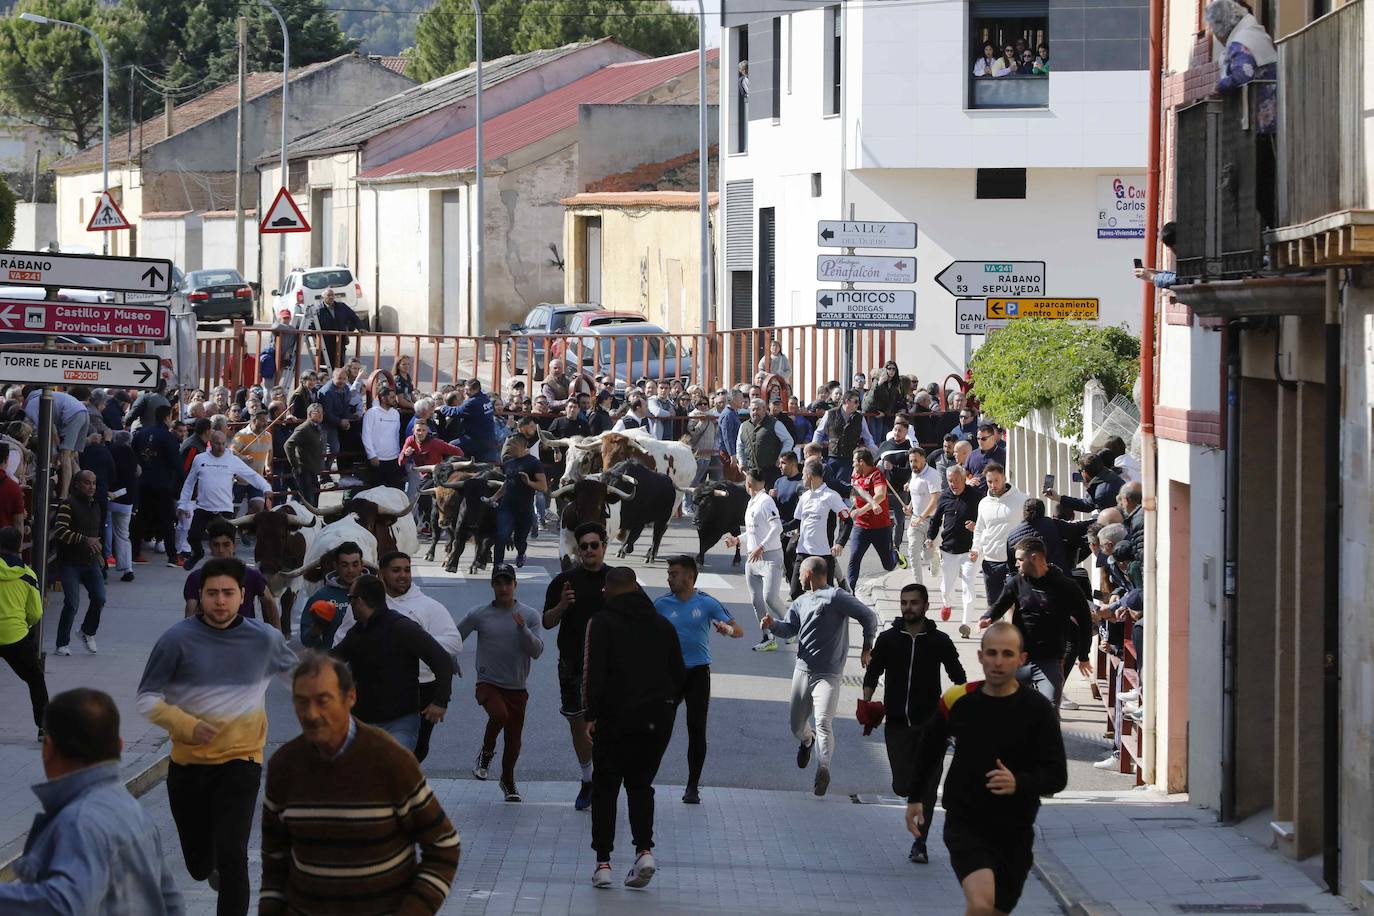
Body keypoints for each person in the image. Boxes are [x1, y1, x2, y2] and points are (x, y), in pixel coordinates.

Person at [137, 556, 298, 916]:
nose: (220, 601)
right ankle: (207, 866)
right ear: (201, 597)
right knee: (198, 863)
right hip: (188, 765)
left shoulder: (265, 640)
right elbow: (147, 698)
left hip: (242, 761)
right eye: (212, 594)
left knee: (233, 853)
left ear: (242, 595)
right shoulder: (176, 640)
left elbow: (302, 684)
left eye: (228, 593)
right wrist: (186, 726)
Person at [261, 651, 458, 914]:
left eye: (323, 701)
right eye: (301, 702)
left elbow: (443, 845)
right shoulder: (283, 766)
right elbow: (275, 860)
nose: (311, 714)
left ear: (349, 698)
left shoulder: (390, 760)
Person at [906, 621, 1068, 916]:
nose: (998, 661)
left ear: (1022, 659)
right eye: (991, 653)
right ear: (980, 657)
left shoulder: (1037, 710)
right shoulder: (958, 701)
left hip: (1015, 830)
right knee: (981, 905)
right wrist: (915, 797)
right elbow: (929, 749)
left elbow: (1057, 776)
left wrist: (1018, 782)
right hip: (966, 822)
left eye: (1007, 654)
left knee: (994, 910)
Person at [0, 688, 183, 914]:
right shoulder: (131, 809)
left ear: (48, 749)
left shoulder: (78, 821)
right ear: (120, 746)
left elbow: (63, 904)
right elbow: (171, 900)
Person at [585, 567, 686, 890]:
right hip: (657, 718)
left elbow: (593, 672)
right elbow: (680, 673)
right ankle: (644, 851)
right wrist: (668, 705)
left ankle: (603, 863)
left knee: (606, 786)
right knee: (641, 785)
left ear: (611, 591)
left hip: (615, 716)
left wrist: (591, 715)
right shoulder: (662, 624)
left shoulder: (601, 622)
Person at [863, 583, 965, 864]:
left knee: (928, 789)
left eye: (914, 603)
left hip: (930, 725)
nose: (908, 608)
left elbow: (959, 677)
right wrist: (867, 702)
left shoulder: (940, 641)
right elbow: (873, 672)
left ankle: (920, 843)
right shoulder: (888, 639)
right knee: (902, 786)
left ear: (926, 606)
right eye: (904, 602)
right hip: (896, 724)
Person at [762, 556, 879, 796]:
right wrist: (773, 625)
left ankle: (823, 767)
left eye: (800, 574)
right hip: (803, 671)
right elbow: (790, 629)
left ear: (809, 574)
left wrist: (868, 646)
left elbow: (868, 616)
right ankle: (807, 741)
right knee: (796, 726)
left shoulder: (836, 597)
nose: (798, 578)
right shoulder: (801, 601)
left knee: (824, 722)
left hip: (829, 674)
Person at [333, 552, 463, 763]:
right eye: (396, 570)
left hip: (419, 689)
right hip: (369, 696)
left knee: (415, 751)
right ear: (381, 573)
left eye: (407, 570)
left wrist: (413, 646)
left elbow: (452, 645)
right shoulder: (361, 609)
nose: (403, 575)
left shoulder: (426, 607)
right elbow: (342, 645)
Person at [653, 556, 743, 804]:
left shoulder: (706, 603)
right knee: (660, 728)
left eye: (674, 573)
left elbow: (739, 630)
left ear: (689, 577)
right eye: (669, 573)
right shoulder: (661, 604)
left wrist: (728, 630)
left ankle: (692, 786)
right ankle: (645, 779)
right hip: (671, 675)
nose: (669, 577)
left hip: (698, 674)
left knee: (696, 729)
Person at [458, 563, 544, 801]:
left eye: (508, 583)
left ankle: (508, 782)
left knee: (514, 740)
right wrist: (449, 660)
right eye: (499, 582)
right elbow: (455, 636)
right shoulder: (479, 614)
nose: (504, 587)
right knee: (499, 715)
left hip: (517, 686)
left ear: (515, 585)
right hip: (488, 682)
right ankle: (486, 754)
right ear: (492, 585)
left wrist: (522, 630)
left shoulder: (529, 615)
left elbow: (537, 651)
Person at [982, 537, 1093, 711]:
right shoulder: (1016, 582)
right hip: (1018, 659)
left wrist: (1084, 656)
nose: (1016, 564)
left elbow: (1085, 621)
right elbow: (1000, 604)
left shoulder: (1066, 586)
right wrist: (988, 617)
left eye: (1020, 559)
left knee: (1050, 711)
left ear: (1034, 558)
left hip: (1049, 661)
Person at [542, 521, 609, 810]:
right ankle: (587, 779)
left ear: (604, 546)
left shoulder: (618, 579)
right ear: (578, 550)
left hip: (610, 665)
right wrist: (562, 606)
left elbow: (642, 618)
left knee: (608, 726)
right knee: (578, 724)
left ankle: (606, 779)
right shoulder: (563, 582)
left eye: (595, 545)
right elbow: (546, 622)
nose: (590, 550)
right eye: (584, 547)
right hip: (572, 662)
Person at [178, 430, 271, 571]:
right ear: (211, 442)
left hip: (224, 509)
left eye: (223, 444)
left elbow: (251, 475)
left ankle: (226, 568)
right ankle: (197, 554)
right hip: (203, 507)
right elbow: (189, 483)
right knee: (193, 536)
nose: (221, 447)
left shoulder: (232, 460)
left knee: (227, 542)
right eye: (217, 444)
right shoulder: (200, 458)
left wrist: (265, 487)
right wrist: (183, 504)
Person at [725, 468, 788, 653]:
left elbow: (777, 527)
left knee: (770, 597)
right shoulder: (752, 502)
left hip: (769, 557)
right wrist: (737, 540)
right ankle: (768, 637)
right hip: (752, 559)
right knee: (756, 600)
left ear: (749, 484)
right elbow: (753, 530)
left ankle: (792, 628)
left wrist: (761, 546)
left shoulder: (766, 501)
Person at [183, 520, 280, 628]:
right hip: (209, 637)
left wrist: (277, 637)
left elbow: (270, 604)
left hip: (245, 636)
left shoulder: (252, 576)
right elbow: (190, 614)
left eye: (226, 545)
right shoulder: (196, 577)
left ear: (235, 545)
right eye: (216, 545)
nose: (221, 550)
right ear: (210, 545)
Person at [969, 463, 1028, 635]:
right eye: (989, 481)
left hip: (1012, 562)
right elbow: (980, 529)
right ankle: (998, 638)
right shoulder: (984, 503)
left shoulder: (1021, 499)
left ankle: (1012, 636)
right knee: (994, 605)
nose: (993, 485)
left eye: (996, 480)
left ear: (1004, 478)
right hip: (990, 560)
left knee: (1011, 603)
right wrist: (975, 549)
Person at [51, 470, 105, 656]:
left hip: (91, 561)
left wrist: (99, 553)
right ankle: (61, 643)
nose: (92, 487)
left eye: (94, 483)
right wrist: (84, 540)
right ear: (77, 484)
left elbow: (96, 534)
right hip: (70, 563)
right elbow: (60, 531)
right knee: (72, 603)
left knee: (99, 598)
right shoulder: (68, 505)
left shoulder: (95, 505)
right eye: (87, 483)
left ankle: (87, 632)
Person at [0, 526, 47, 738]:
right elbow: (36, 613)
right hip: (15, 636)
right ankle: (44, 727)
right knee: (35, 679)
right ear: (19, 546)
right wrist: (25, 624)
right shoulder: (28, 575)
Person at [928, 464, 982, 627]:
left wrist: (976, 527)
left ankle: (966, 623)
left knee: (968, 585)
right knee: (946, 587)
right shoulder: (944, 497)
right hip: (949, 550)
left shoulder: (976, 497)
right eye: (951, 481)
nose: (954, 484)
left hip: (969, 551)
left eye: (957, 481)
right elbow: (935, 521)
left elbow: (985, 521)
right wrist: (930, 537)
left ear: (965, 479)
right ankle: (947, 604)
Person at [789, 458, 852, 598]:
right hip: (803, 552)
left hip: (823, 554)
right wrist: (779, 528)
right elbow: (796, 522)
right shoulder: (804, 496)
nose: (802, 478)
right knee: (795, 593)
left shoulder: (831, 496)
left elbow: (848, 521)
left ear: (810, 476)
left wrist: (840, 543)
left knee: (825, 597)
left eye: (804, 474)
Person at [488, 426, 546, 568]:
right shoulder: (509, 463)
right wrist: (494, 497)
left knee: (520, 541)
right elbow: (507, 483)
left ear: (519, 445)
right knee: (501, 536)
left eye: (510, 444)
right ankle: (498, 566)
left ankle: (521, 553)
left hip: (524, 509)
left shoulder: (534, 463)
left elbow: (543, 487)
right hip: (507, 507)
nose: (507, 447)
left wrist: (529, 482)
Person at [299, 542, 368, 649]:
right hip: (332, 662)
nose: (350, 570)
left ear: (362, 565)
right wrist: (316, 629)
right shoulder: (322, 595)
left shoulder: (374, 593)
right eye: (344, 565)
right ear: (336, 566)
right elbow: (306, 641)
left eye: (355, 564)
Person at [23, 386, 87, 499]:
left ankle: (64, 496)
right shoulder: (47, 396)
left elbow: (45, 427)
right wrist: (56, 447)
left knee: (65, 456)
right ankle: (81, 492)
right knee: (71, 457)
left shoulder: (32, 404)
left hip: (72, 415)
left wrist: (53, 452)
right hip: (83, 412)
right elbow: (52, 428)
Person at [815, 389, 876, 478]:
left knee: (843, 483)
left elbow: (868, 438)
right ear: (847, 401)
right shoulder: (830, 413)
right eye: (856, 401)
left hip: (849, 459)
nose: (858, 404)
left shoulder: (860, 418)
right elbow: (819, 433)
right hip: (832, 456)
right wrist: (813, 451)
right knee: (828, 482)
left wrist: (876, 453)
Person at [905, 447, 943, 585]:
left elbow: (935, 500)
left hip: (933, 521)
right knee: (912, 552)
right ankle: (918, 585)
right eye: (910, 461)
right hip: (916, 520)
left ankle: (933, 558)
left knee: (931, 555)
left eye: (915, 461)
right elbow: (917, 493)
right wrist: (909, 506)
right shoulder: (914, 473)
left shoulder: (932, 475)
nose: (912, 464)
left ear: (924, 459)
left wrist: (922, 516)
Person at [1044, 452, 1123, 516]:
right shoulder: (1109, 474)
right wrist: (1058, 497)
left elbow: (1087, 506)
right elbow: (1087, 504)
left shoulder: (1101, 493)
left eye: (1080, 471)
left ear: (1084, 473)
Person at [108, 429, 139, 581]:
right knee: (123, 534)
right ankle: (127, 568)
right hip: (127, 499)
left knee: (105, 530)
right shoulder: (132, 455)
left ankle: (104, 562)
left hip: (110, 496)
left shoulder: (111, 451)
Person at [361, 386, 405, 489]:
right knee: (376, 491)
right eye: (392, 397)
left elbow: (396, 434)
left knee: (393, 491)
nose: (395, 399)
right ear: (383, 398)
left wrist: (398, 454)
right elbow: (366, 435)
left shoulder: (395, 413)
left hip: (393, 459)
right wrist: (371, 455)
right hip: (377, 460)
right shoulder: (371, 413)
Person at [285, 403, 325, 508]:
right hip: (304, 469)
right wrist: (296, 465)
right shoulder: (304, 428)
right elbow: (288, 445)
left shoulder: (317, 428)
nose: (321, 415)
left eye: (321, 412)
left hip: (313, 469)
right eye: (317, 412)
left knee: (315, 495)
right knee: (308, 500)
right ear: (309, 414)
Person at [314, 288, 362, 369]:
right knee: (325, 365)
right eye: (329, 295)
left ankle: (339, 380)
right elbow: (313, 324)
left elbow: (353, 317)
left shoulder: (341, 307)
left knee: (339, 364)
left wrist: (361, 327)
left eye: (333, 295)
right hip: (325, 342)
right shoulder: (318, 310)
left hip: (340, 341)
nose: (331, 297)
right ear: (323, 297)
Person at [454, 378, 499, 462]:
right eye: (465, 389)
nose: (465, 392)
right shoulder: (485, 398)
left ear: (476, 390)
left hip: (477, 440)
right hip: (488, 440)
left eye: (468, 390)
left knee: (451, 447)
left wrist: (442, 408)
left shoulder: (472, 402)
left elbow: (456, 411)